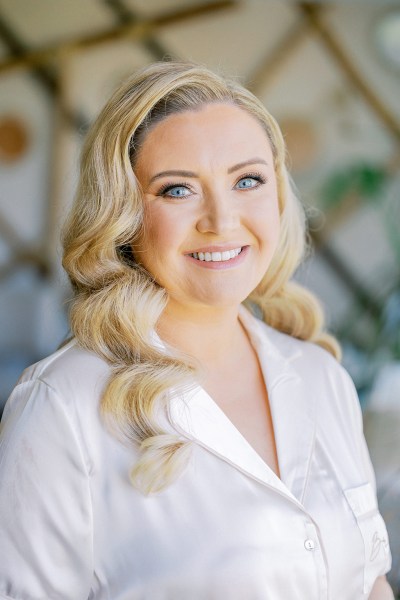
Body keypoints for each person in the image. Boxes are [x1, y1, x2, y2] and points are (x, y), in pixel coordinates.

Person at [0, 61, 394, 600]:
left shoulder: (322, 376)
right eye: (178, 190)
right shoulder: (61, 406)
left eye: (247, 180)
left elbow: (370, 580)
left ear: (277, 195)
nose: (222, 219)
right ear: (123, 215)